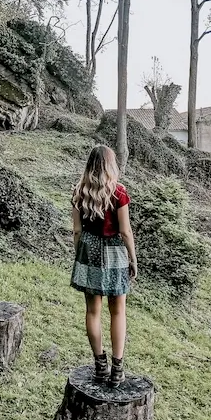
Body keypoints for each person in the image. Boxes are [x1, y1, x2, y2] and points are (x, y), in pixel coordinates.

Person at [70, 145, 138, 387]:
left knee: (92, 311)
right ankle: (117, 369)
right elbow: (125, 231)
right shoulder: (119, 192)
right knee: (118, 310)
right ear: (111, 165)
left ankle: (100, 366)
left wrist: (80, 254)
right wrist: (133, 258)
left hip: (88, 251)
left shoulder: (79, 192)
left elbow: (77, 230)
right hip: (114, 252)